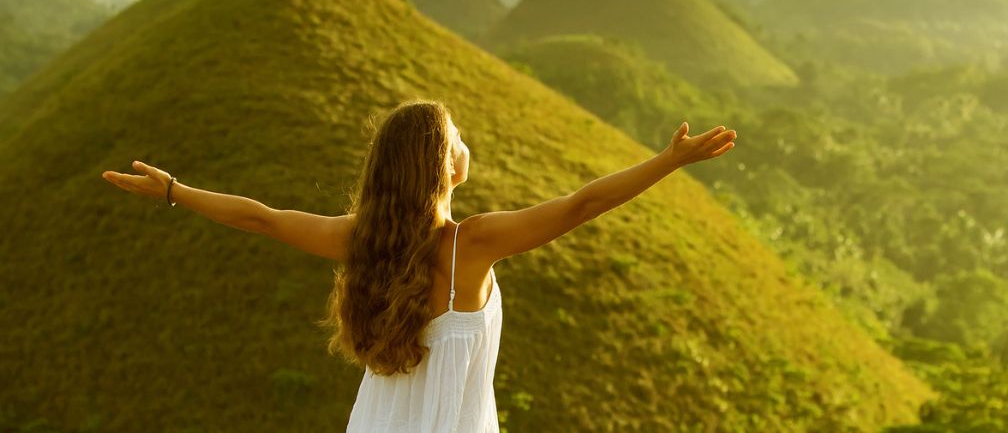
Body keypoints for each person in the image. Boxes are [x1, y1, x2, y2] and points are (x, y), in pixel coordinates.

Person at [100, 99, 737, 432]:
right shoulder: (471, 245)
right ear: (445, 165)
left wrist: (175, 191)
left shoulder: (362, 242)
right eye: (458, 137)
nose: (467, 144)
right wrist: (667, 161)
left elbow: (261, 218)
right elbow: (580, 205)